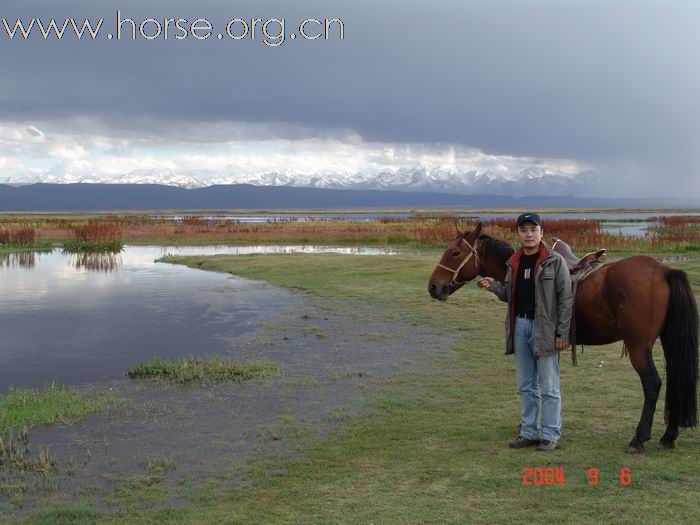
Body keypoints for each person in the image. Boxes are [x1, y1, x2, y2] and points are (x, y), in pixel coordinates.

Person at [477, 213, 573, 451]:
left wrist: (562, 333)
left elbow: (565, 299)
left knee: (549, 386)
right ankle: (529, 431)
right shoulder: (514, 262)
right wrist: (495, 287)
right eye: (524, 230)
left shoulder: (555, 261)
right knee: (526, 385)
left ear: (541, 232)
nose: (529, 234)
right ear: (518, 234)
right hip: (520, 327)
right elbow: (511, 295)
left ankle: (550, 434)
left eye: (533, 229)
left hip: (546, 330)